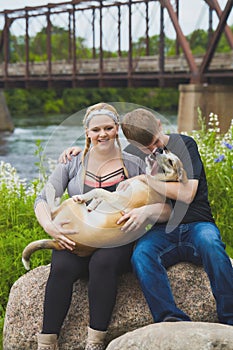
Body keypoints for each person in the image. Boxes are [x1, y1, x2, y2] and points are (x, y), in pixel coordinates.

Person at [34, 103, 171, 350]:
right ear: (87, 132)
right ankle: (47, 342)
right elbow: (44, 198)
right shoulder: (72, 162)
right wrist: (50, 227)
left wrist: (145, 212)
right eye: (96, 129)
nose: (103, 134)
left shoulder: (136, 161)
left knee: (102, 264)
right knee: (62, 266)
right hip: (80, 239)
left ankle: (95, 341)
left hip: (120, 238)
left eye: (108, 127)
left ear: (117, 129)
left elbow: (166, 206)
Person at [116, 107, 233, 325]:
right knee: (141, 254)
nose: (153, 149)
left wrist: (145, 179)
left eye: (156, 142)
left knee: (211, 243)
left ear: (159, 126)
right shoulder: (134, 155)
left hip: (197, 223)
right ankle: (170, 318)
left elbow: (187, 194)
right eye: (146, 147)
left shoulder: (183, 144)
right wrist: (77, 152)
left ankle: (230, 318)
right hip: (163, 229)